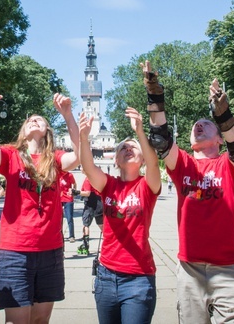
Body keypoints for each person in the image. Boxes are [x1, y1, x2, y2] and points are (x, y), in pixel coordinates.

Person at [143, 61, 234, 322]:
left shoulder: (228, 165)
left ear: (219, 139)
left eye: (206, 124)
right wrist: (154, 93)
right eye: (196, 125)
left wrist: (223, 114)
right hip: (190, 270)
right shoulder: (183, 163)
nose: (198, 125)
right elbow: (160, 138)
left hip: (230, 269)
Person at [0, 79, 80, 324]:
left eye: (40, 119)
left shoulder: (55, 159)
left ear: (48, 130)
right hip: (15, 252)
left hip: (50, 251)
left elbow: (80, 155)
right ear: (23, 130)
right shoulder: (10, 155)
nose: (33, 120)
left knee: (40, 320)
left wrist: (68, 116)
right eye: (30, 119)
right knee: (17, 320)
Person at [78, 108, 161, 324]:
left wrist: (140, 132)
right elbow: (88, 167)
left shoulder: (146, 186)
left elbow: (154, 163)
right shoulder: (109, 185)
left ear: (142, 159)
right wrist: (83, 137)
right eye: (122, 147)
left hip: (138, 278)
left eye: (133, 147)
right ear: (115, 160)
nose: (127, 148)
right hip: (106, 276)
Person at [77, 174, 103, 256]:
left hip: (90, 204)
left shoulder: (88, 179)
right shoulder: (97, 177)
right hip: (99, 203)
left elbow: (87, 193)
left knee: (86, 225)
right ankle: (108, 243)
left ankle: (85, 245)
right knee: (102, 225)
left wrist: (76, 192)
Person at [59, 169, 77, 243]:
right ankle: (60, 235)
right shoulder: (58, 175)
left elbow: (74, 184)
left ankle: (71, 236)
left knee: (69, 217)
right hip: (59, 198)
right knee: (59, 219)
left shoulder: (69, 175)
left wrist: (73, 192)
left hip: (68, 198)